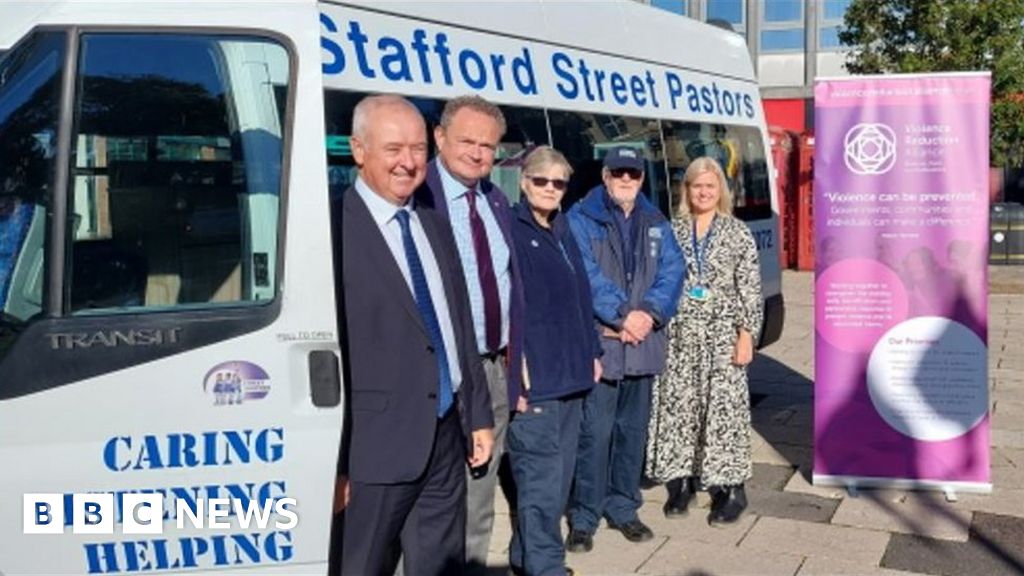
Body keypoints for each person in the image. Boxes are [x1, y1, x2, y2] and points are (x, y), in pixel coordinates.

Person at [331, 94, 494, 576]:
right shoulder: (333, 232)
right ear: (358, 150)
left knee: (440, 566)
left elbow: (459, 329)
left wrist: (477, 415)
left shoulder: (432, 224)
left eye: (419, 149)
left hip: (445, 436)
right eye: (393, 148)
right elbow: (325, 352)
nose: (408, 162)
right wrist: (335, 463)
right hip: (373, 452)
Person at [416, 94, 523, 573]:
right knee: (429, 500)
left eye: (488, 145)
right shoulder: (417, 198)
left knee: (480, 496)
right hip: (436, 375)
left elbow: (508, 285)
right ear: (439, 137)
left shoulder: (495, 200)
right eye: (467, 141)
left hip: (491, 369)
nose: (479, 153)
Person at [565, 146, 685, 552]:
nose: (626, 180)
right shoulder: (580, 219)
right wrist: (622, 314)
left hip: (643, 344)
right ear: (605, 175)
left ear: (641, 178)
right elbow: (586, 275)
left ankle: (623, 508)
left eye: (633, 173)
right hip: (604, 344)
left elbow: (672, 272)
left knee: (631, 433)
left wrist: (648, 314)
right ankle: (584, 517)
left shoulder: (656, 221)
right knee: (593, 435)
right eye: (619, 172)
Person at [645, 156, 763, 526]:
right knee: (679, 409)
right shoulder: (672, 230)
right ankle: (681, 483)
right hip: (679, 335)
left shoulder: (736, 231)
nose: (704, 192)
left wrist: (747, 335)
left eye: (711, 186)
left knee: (724, 410)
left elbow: (751, 288)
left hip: (721, 335)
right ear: (687, 190)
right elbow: (658, 281)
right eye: (698, 185)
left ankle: (731, 488)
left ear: (720, 191)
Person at [507, 147, 601, 576]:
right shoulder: (511, 229)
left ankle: (526, 561)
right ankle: (546, 568)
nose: (549, 188)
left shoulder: (562, 228)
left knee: (554, 486)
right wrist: (517, 373)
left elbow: (581, 296)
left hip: (573, 378)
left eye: (558, 182)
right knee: (541, 489)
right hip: (538, 382)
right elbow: (507, 309)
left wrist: (593, 352)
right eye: (541, 180)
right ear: (524, 182)